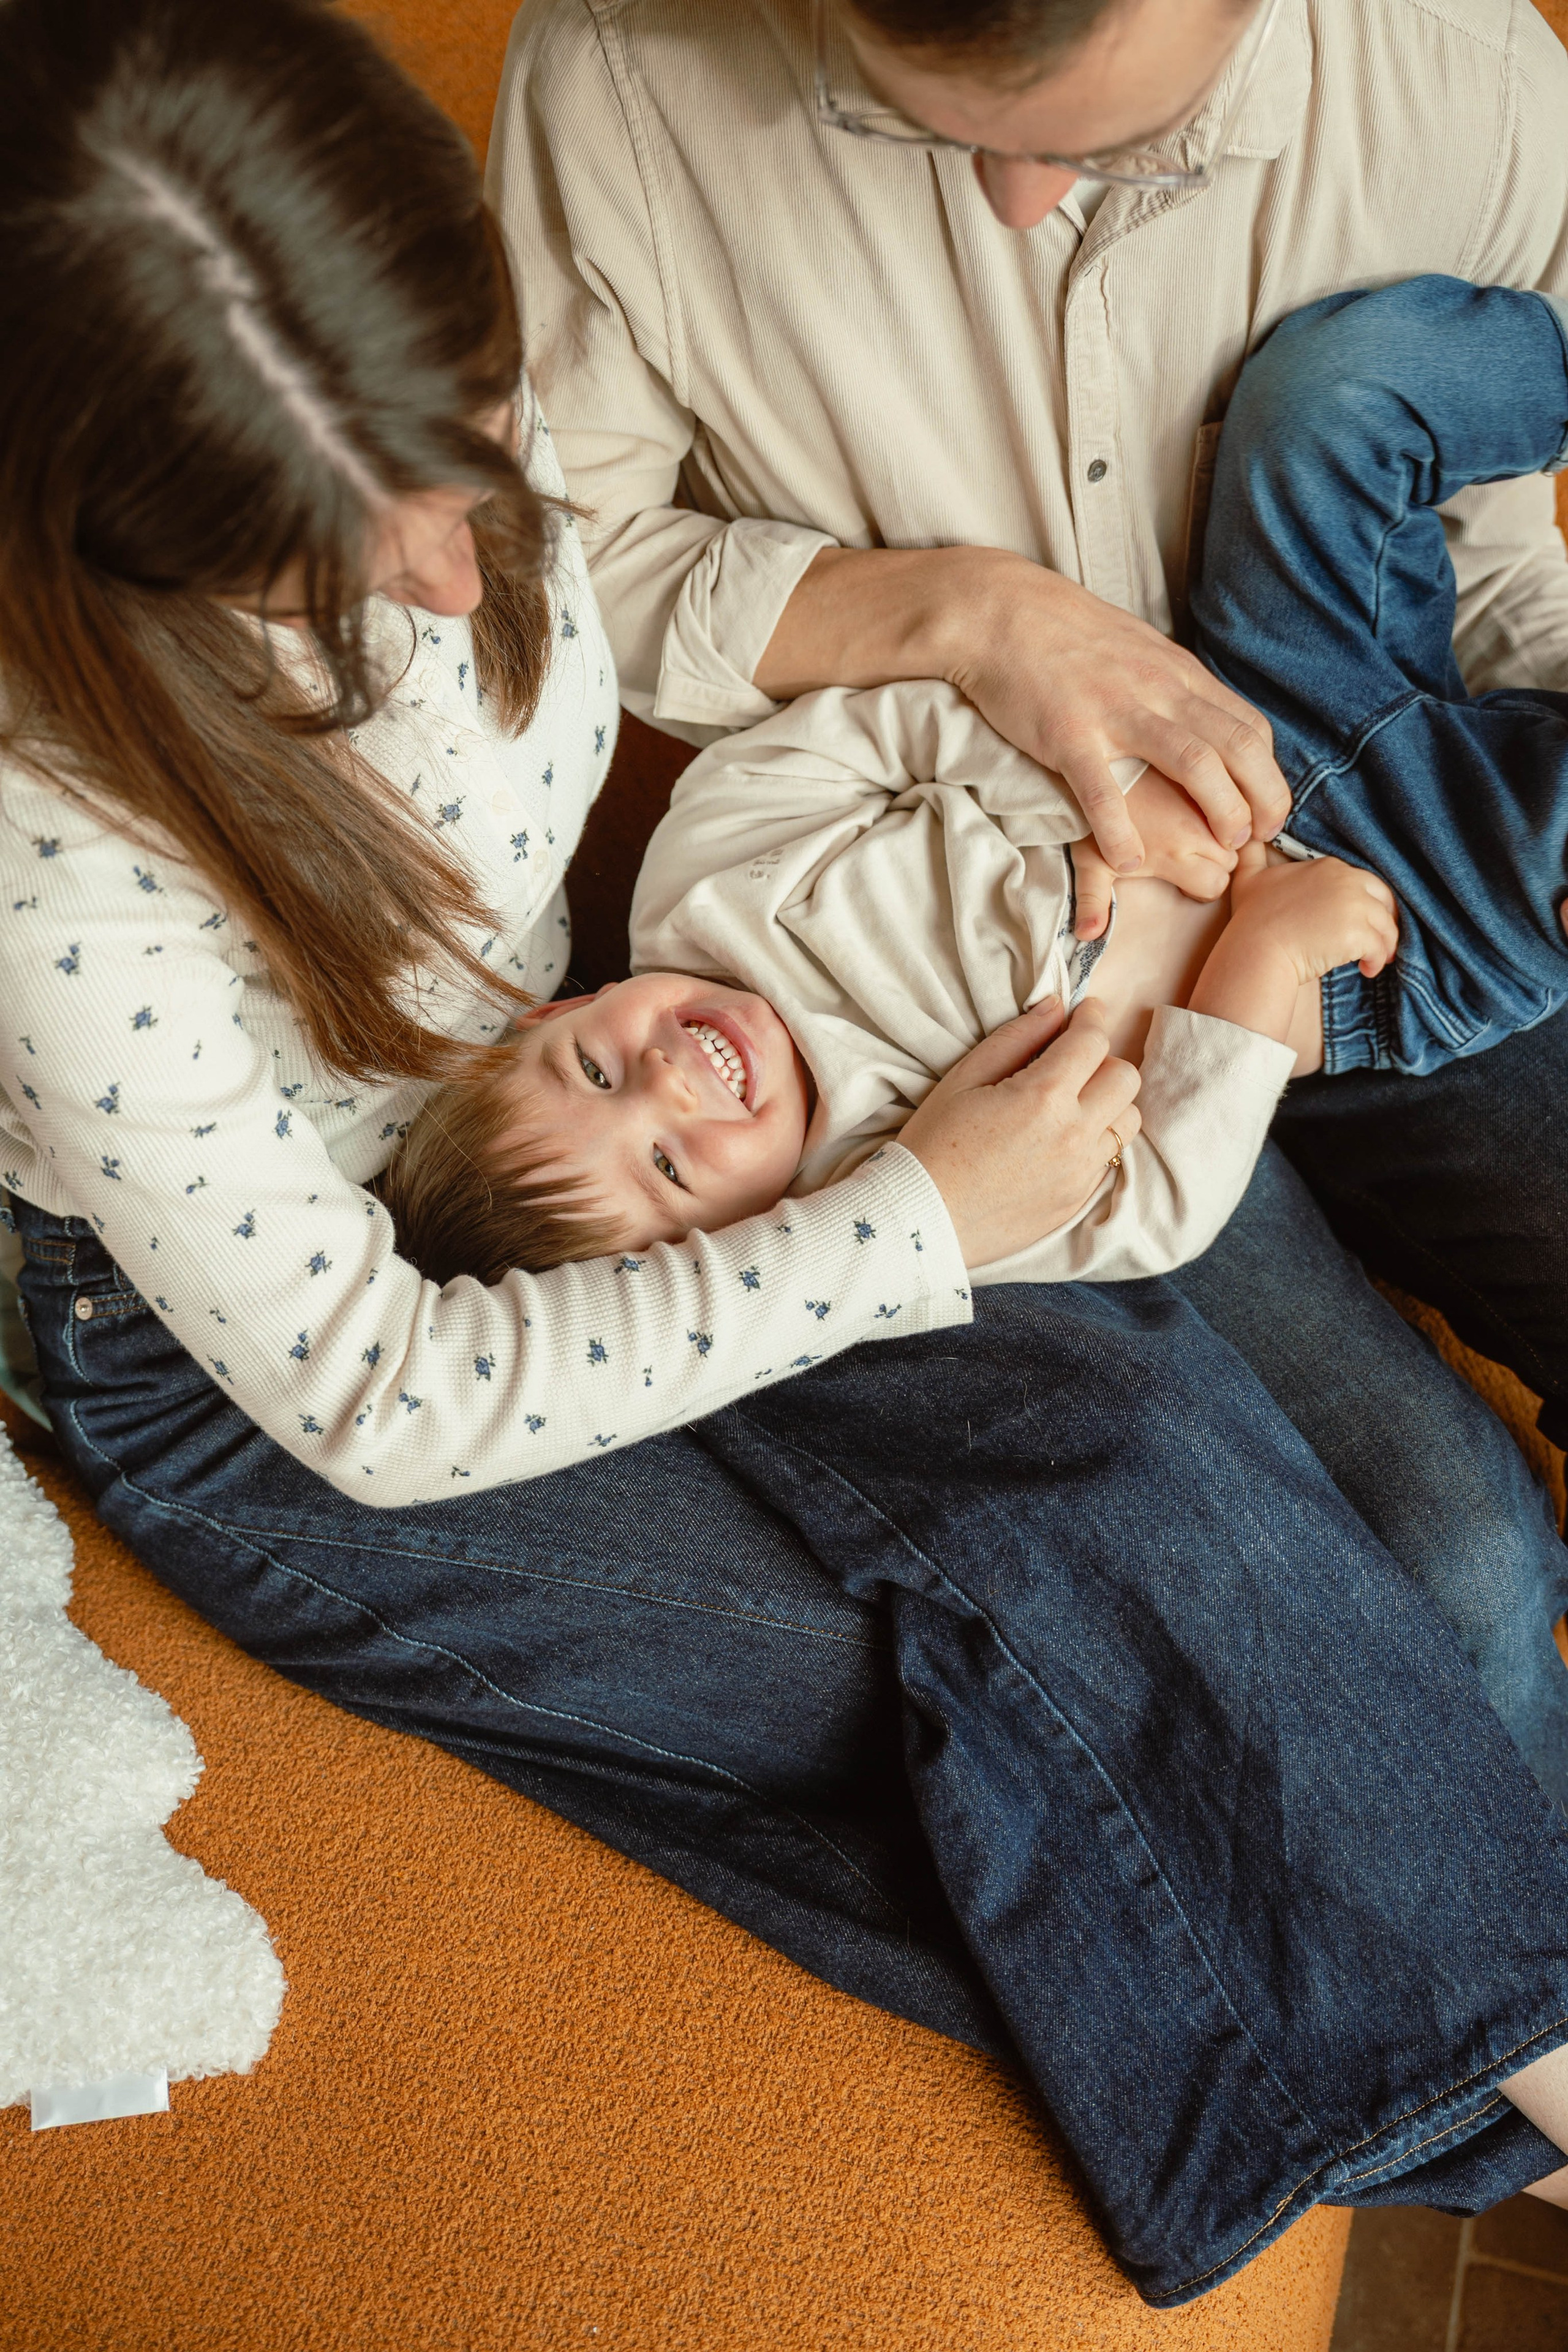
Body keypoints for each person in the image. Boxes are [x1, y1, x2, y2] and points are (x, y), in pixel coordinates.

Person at [7, 0, 1568, 2305]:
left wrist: (978, 635)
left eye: (467, 453)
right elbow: (381, 1393)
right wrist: (914, 1218)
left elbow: (640, 584)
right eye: (316, 564)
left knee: (1247, 1503)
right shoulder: (55, 861)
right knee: (976, 1739)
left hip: (593, 1077)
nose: (456, 589)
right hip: (309, 1347)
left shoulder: (431, 390)